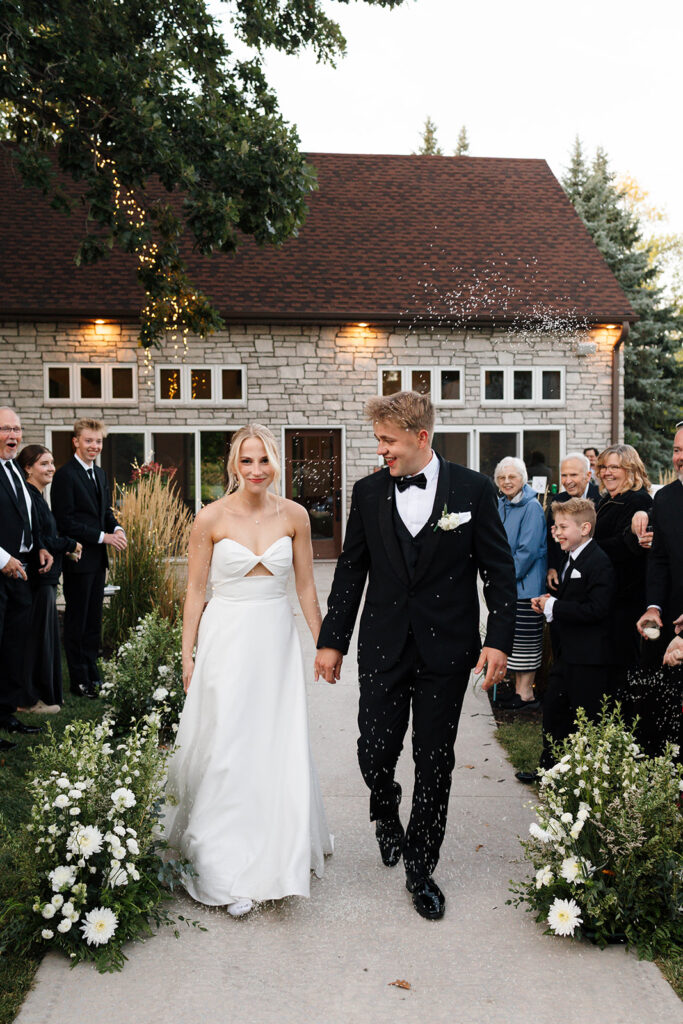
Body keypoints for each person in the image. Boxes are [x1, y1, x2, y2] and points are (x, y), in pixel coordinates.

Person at [314, 391, 516, 921]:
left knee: (435, 760)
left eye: (388, 440)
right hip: (383, 645)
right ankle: (385, 811)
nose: (381, 450)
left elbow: (499, 571)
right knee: (374, 751)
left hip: (446, 652)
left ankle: (420, 867)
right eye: (378, 440)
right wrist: (332, 640)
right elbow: (351, 571)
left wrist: (498, 639)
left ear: (421, 437)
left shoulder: (471, 490)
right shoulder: (368, 492)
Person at [164, 424, 332, 918]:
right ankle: (226, 861)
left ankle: (281, 852)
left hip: (275, 640)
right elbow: (196, 591)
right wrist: (187, 652)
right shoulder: (210, 517)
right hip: (228, 637)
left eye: (264, 460)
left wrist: (326, 644)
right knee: (229, 743)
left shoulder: (296, 515)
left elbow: (304, 587)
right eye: (247, 461)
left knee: (275, 740)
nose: (256, 470)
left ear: (275, 462)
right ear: (233, 466)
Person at [516, 498, 616, 784]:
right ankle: (549, 770)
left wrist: (554, 607)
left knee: (584, 718)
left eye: (562, 527)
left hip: (589, 658)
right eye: (555, 526)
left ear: (584, 528)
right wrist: (550, 604)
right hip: (568, 654)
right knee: (554, 712)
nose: (555, 532)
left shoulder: (598, 561)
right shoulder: (570, 557)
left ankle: (583, 778)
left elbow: (597, 609)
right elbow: (574, 603)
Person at [51, 419, 127, 698]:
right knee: (77, 621)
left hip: (98, 561)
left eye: (98, 442)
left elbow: (104, 512)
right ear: (76, 441)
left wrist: (116, 527)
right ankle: (79, 680)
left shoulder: (101, 474)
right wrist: (103, 537)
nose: (94, 446)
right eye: (88, 441)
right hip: (79, 559)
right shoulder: (64, 476)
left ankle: (93, 675)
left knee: (94, 621)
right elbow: (66, 521)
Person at [0, 407, 51, 750]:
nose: (13, 435)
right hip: (1, 568)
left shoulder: (14, 469)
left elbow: (26, 514)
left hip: (20, 572)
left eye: (16, 428)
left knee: (12, 648)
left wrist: (40, 547)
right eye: (5, 429)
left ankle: (5, 713)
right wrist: (2, 558)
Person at [17, 444, 81, 712]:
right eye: (44, 463)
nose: (51, 468)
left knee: (45, 638)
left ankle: (46, 695)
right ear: (28, 468)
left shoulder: (39, 497)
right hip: (39, 580)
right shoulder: (30, 498)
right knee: (38, 640)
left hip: (48, 580)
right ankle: (32, 699)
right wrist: (70, 544)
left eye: (52, 462)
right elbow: (39, 540)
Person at [631, 426, 683, 753]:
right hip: (670, 623)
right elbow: (660, 560)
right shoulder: (665, 498)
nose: (680, 458)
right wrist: (653, 607)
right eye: (677, 450)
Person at [594, 444, 652, 683]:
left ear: (631, 470)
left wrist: (586, 546)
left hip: (626, 597)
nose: (607, 472)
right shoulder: (607, 499)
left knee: (624, 662)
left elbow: (629, 545)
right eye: (604, 467)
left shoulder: (638, 501)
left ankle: (628, 717)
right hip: (609, 595)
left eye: (615, 467)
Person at [494, 457, 547, 710]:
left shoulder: (532, 507)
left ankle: (526, 695)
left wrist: (502, 580)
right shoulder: (502, 504)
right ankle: (518, 691)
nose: (506, 482)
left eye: (512, 477)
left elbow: (527, 552)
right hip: (508, 585)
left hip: (526, 587)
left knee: (526, 640)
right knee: (514, 641)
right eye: (502, 477)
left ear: (523, 479)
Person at [547, 452, 600, 591]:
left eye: (573, 475)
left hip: (593, 575)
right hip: (562, 576)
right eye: (564, 475)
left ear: (588, 476)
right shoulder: (558, 500)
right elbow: (550, 539)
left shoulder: (601, 499)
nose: (567, 480)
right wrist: (552, 567)